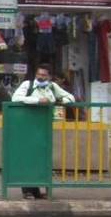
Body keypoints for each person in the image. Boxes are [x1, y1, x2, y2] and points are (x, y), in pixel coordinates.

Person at [12, 63, 75, 200]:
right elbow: (15, 98)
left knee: (42, 159)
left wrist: (61, 100)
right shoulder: (27, 85)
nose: (40, 77)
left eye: (44, 75)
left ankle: (38, 190)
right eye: (39, 74)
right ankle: (27, 190)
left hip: (44, 129)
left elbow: (70, 97)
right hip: (28, 126)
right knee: (28, 158)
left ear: (49, 76)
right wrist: (38, 100)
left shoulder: (52, 86)